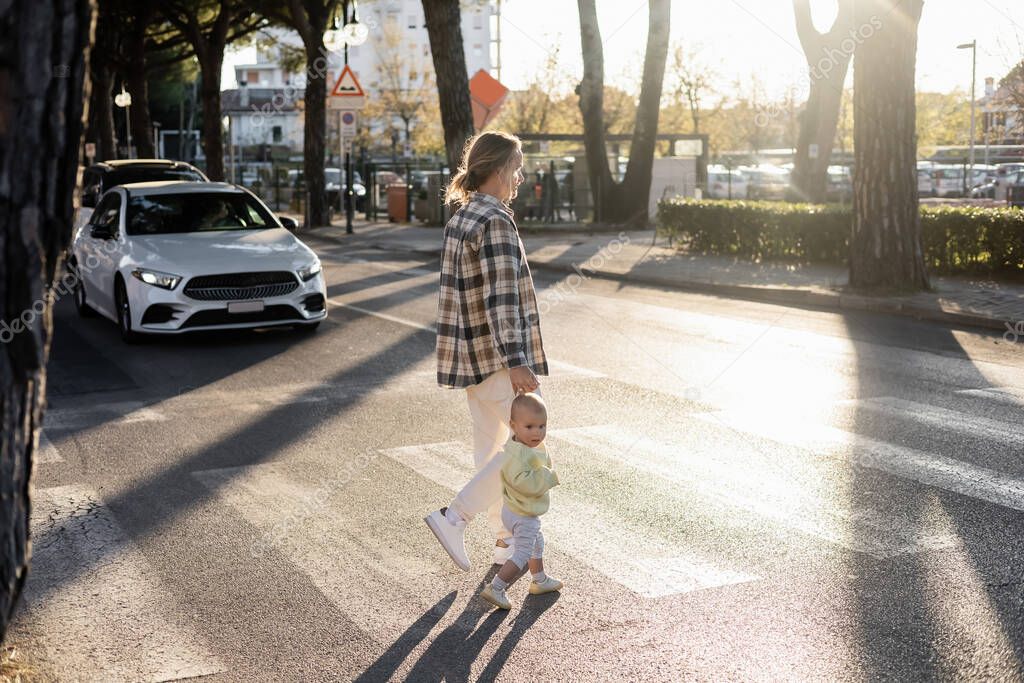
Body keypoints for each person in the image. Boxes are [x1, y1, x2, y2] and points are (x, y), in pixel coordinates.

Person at [424, 131, 548, 571]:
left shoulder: (462, 217)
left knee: (491, 452)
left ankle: (504, 543)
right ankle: (453, 516)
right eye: (516, 167)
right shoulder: (494, 220)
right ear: (498, 170)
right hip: (497, 360)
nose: (520, 176)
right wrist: (516, 359)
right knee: (525, 446)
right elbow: (500, 298)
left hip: (470, 360)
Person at [480, 393, 562, 610]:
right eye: (530, 427)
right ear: (513, 426)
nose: (537, 432)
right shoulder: (516, 454)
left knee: (537, 542)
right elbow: (523, 483)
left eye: (542, 426)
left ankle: (540, 580)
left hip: (517, 509)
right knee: (523, 552)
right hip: (521, 513)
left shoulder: (529, 445)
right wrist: (547, 476)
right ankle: (496, 587)